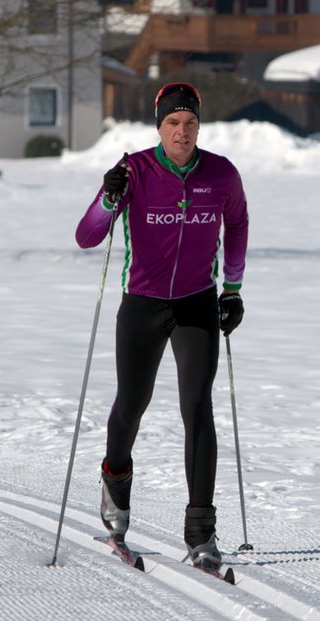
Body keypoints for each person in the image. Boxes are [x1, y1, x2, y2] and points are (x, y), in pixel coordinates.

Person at [75, 82, 249, 570]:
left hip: (196, 304)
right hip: (143, 305)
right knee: (132, 404)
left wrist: (232, 291)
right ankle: (114, 491)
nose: (182, 131)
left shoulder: (221, 174)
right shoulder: (135, 171)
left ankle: (201, 533)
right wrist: (109, 200)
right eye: (173, 123)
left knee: (197, 407)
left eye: (190, 123)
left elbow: (236, 224)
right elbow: (87, 235)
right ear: (159, 127)